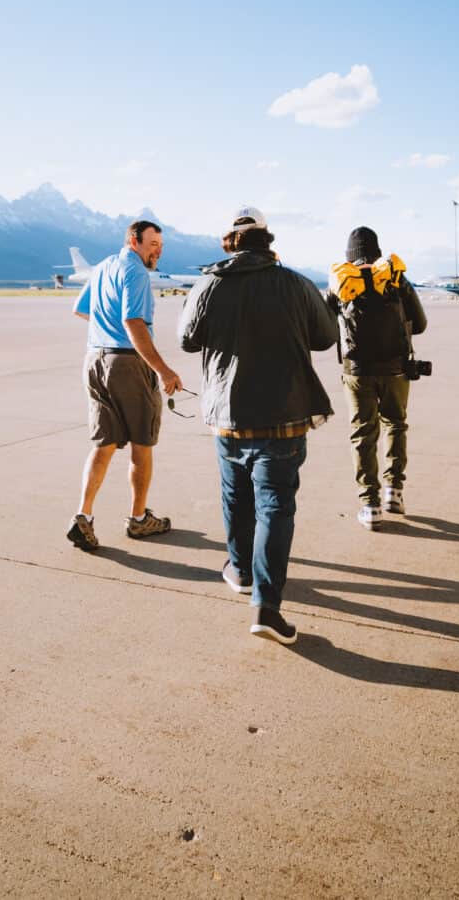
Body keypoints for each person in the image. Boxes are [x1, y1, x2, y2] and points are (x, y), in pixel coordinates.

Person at [177, 207, 338, 645]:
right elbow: (325, 337)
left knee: (236, 497)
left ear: (229, 242)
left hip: (228, 417)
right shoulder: (295, 283)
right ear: (268, 241)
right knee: (275, 509)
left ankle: (241, 569)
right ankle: (266, 607)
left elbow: (186, 339)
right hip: (284, 418)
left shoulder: (209, 284)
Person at [66, 219, 183, 553]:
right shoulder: (135, 272)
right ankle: (138, 518)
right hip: (127, 363)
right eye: (152, 243)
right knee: (141, 444)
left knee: (103, 444)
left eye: (160, 243)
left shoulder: (103, 267)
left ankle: (83, 516)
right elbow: (133, 321)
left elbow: (80, 309)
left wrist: (107, 329)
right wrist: (163, 370)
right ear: (134, 241)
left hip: (95, 359)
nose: (158, 249)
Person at [325, 226, 427, 531]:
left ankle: (370, 505)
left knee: (362, 433)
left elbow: (322, 328)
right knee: (395, 424)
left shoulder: (343, 282)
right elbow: (420, 324)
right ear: (377, 251)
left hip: (357, 372)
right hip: (396, 369)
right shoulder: (394, 278)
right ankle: (394, 492)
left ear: (350, 255)